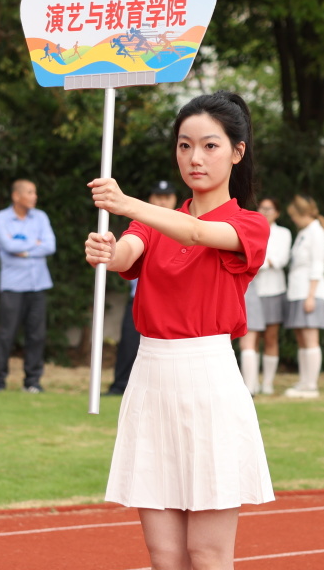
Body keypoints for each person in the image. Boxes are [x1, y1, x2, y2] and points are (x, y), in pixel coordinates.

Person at [84, 91, 274, 570]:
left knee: (206, 554)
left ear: (237, 151)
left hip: (209, 382)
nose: (195, 158)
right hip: (151, 379)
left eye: (210, 146)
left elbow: (195, 232)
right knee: (165, 556)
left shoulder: (249, 225)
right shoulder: (152, 224)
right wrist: (107, 251)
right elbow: (126, 254)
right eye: (185, 145)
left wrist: (127, 203)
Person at [105, 180, 178, 396]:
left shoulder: (185, 226)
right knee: (129, 343)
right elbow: (125, 251)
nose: (162, 201)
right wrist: (112, 254)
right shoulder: (142, 224)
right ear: (150, 198)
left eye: (167, 197)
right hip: (139, 298)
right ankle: (120, 386)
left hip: (172, 302)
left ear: (174, 199)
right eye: (158, 197)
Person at [0, 179, 56, 393]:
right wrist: (35, 244)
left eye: (35, 192)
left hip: (38, 285)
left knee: (37, 335)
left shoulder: (41, 217)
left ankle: (32, 382)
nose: (35, 196)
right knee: (6, 334)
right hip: (13, 286)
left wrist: (24, 251)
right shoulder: (1, 218)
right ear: (16, 196)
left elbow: (50, 246)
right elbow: (8, 245)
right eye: (30, 192)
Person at [240, 197, 293, 395]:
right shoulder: (251, 229)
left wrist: (259, 263)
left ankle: (268, 383)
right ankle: (250, 384)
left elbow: (280, 260)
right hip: (251, 290)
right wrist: (263, 262)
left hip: (273, 290)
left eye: (270, 209)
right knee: (250, 338)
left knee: (271, 337)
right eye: (262, 208)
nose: (265, 212)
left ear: (277, 213)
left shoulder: (283, 233)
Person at [282, 194, 324, 400]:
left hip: (310, 292)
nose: (293, 219)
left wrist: (311, 296)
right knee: (302, 338)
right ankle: (304, 381)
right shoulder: (304, 233)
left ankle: (311, 386)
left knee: (311, 339)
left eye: (294, 215)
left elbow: (318, 266)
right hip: (297, 291)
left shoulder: (317, 233)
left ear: (302, 214)